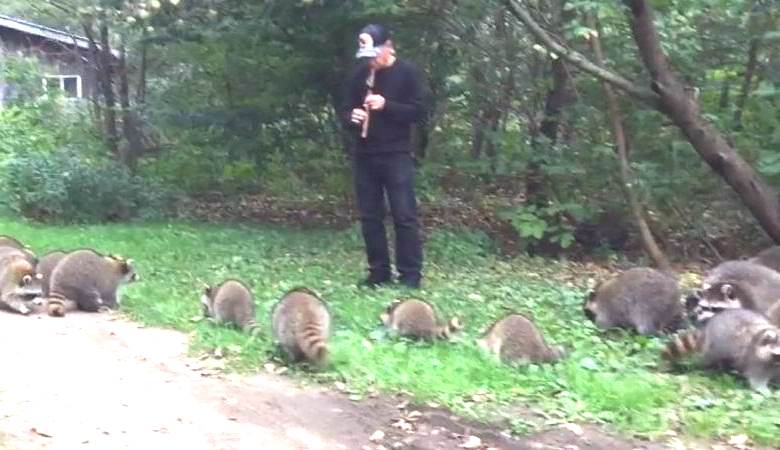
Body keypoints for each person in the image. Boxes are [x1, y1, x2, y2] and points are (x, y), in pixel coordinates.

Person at [342, 23, 425, 289]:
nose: (371, 61)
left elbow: (419, 112)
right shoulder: (360, 75)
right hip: (365, 154)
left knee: (404, 215)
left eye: (374, 55)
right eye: (366, 56)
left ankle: (410, 274)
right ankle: (378, 272)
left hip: (396, 153)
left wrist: (386, 105)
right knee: (370, 217)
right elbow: (346, 110)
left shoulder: (407, 72)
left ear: (388, 46)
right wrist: (352, 117)